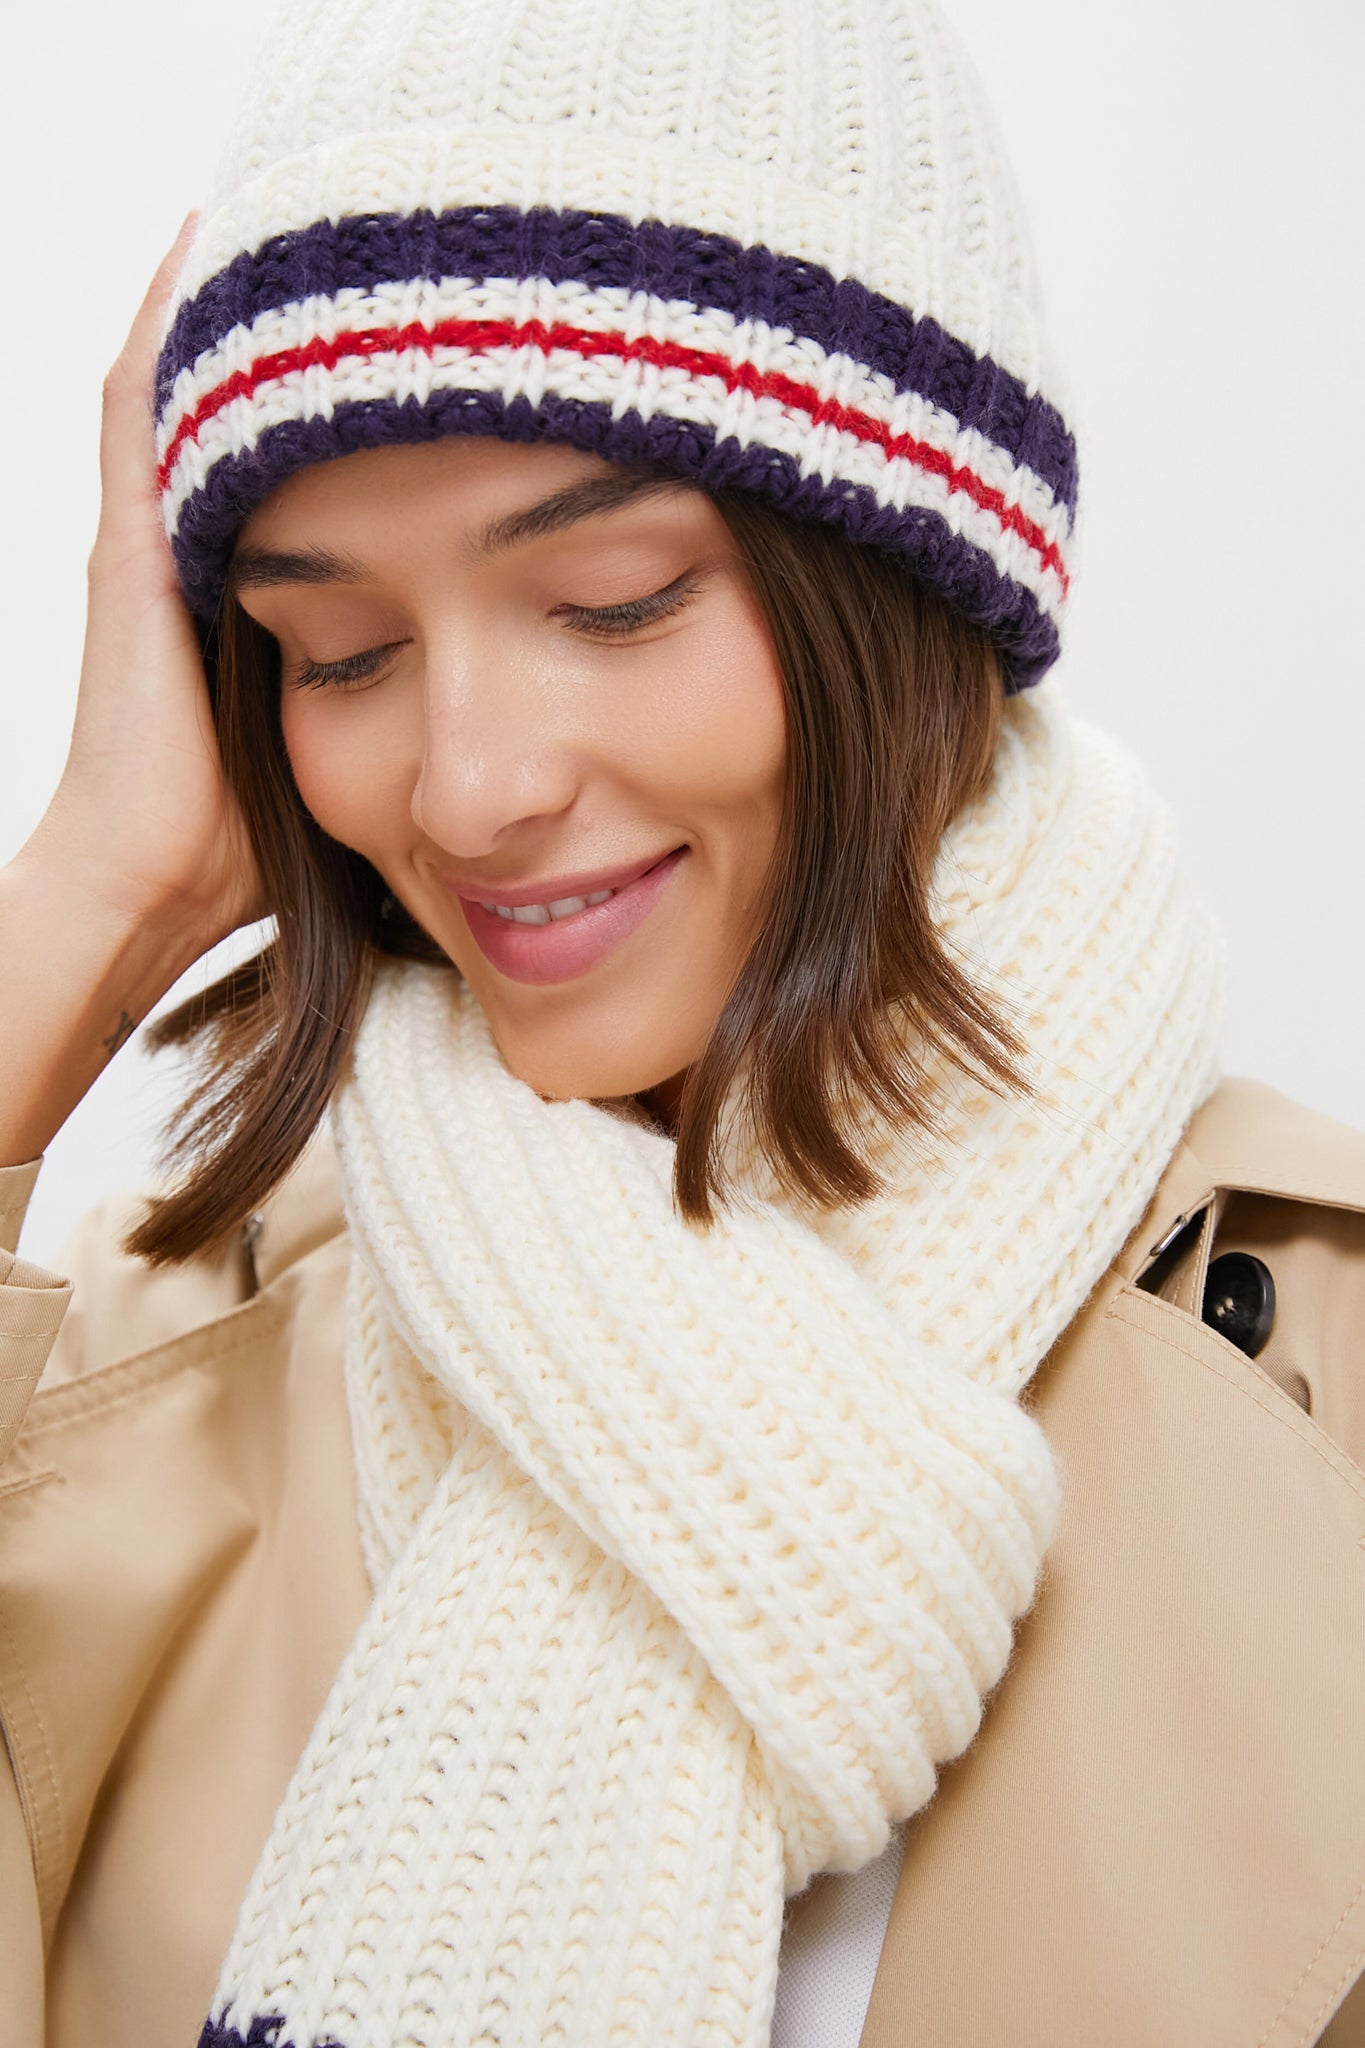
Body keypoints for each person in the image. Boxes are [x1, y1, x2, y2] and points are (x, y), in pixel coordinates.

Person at [0, 1, 1361, 2044]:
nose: (467, 788)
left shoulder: (1321, 1372)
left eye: (614, 601)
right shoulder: (146, 1370)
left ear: (896, 583)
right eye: (337, 649)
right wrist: (80, 910)